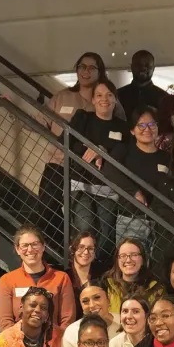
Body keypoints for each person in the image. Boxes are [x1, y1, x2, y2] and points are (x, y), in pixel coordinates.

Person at [39, 52, 126, 245]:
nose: (86, 71)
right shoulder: (62, 97)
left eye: (91, 67)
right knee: (46, 209)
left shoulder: (108, 100)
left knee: (93, 224)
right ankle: (60, 248)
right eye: (81, 67)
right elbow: (40, 121)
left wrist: (103, 149)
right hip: (58, 163)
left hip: (91, 171)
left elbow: (121, 132)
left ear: (100, 72)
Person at [69, 79, 129, 259]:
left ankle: (98, 274)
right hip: (81, 185)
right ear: (93, 100)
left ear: (115, 99)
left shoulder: (123, 127)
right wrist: (92, 149)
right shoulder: (83, 118)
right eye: (99, 95)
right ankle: (81, 269)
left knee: (106, 235)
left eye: (109, 95)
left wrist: (104, 151)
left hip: (108, 189)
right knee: (85, 229)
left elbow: (124, 152)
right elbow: (67, 142)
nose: (105, 99)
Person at [105, 105, 172, 245]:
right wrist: (134, 192)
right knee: (130, 263)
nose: (147, 129)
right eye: (141, 125)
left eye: (152, 124)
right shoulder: (124, 150)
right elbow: (109, 170)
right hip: (130, 219)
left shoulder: (167, 158)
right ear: (132, 130)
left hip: (160, 223)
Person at [0, 225, 77, 332]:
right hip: (17, 345)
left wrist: (55, 341)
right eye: (25, 245)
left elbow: (67, 318)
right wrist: (19, 343)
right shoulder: (7, 280)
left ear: (43, 247)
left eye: (35, 244)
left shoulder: (61, 278)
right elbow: (4, 321)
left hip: (53, 344)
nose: (30, 249)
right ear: (18, 249)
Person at [102, 238, 164, 314]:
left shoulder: (156, 289)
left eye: (134, 255)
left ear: (142, 260)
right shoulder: (106, 286)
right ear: (117, 260)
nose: (128, 260)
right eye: (123, 255)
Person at [62, 283, 122, 347]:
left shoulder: (123, 322)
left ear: (108, 299)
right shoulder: (72, 332)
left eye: (97, 297)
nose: (92, 305)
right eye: (85, 301)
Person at [65, 232, 110, 320]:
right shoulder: (65, 276)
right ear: (72, 249)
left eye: (90, 248)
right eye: (81, 247)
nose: (86, 252)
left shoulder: (103, 275)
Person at [116, 50, 167, 118]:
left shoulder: (164, 98)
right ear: (131, 67)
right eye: (138, 65)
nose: (143, 68)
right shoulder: (117, 95)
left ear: (153, 69)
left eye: (147, 65)